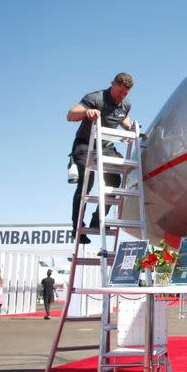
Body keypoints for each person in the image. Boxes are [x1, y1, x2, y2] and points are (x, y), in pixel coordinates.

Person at [68, 73, 136, 244]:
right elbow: (70, 115)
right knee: (86, 182)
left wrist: (129, 127)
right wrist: (86, 111)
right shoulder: (95, 98)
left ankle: (98, 220)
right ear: (112, 84)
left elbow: (123, 118)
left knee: (114, 182)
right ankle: (77, 228)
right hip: (85, 144)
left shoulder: (125, 104)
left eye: (125, 94)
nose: (122, 96)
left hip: (106, 147)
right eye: (119, 91)